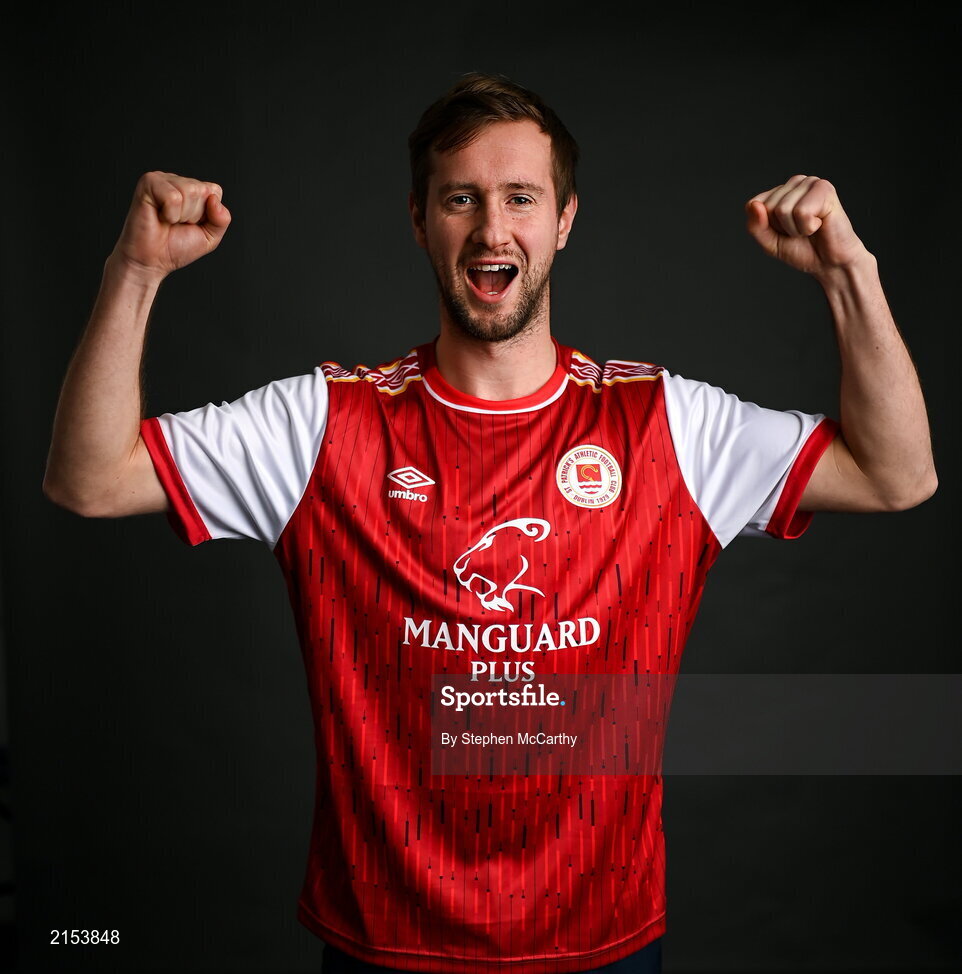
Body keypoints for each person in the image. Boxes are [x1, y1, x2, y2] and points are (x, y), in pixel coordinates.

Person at [42, 73, 936, 974]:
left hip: (603, 949)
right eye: (461, 198)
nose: (492, 228)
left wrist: (848, 276)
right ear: (420, 219)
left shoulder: (669, 424)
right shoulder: (324, 424)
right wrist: (136, 272)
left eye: (521, 197)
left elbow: (896, 475)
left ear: (565, 219)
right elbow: (89, 479)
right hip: (385, 947)